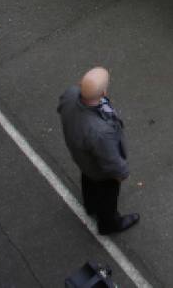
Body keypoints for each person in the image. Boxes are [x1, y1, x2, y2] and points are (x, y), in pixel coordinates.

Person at [57, 67, 139, 235]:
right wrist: (122, 174)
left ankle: (91, 205)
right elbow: (111, 161)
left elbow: (61, 108)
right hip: (100, 170)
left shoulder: (70, 94)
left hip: (82, 158)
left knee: (88, 180)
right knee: (108, 194)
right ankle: (109, 223)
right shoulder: (101, 132)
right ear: (103, 92)